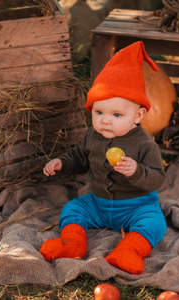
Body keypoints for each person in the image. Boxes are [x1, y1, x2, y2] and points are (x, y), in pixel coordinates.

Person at [39, 41, 167, 275]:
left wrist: (136, 171)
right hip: (98, 203)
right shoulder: (93, 135)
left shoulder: (144, 144)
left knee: (155, 222)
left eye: (117, 114)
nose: (105, 120)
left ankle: (129, 249)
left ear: (138, 116)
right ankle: (73, 245)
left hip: (136, 205)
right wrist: (62, 163)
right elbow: (79, 157)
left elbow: (157, 178)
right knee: (73, 208)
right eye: (99, 112)